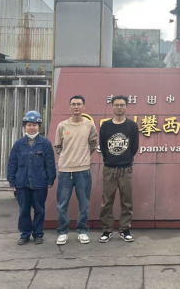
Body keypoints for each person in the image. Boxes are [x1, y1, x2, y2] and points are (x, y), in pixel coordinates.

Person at [54, 95, 98, 245]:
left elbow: (93, 144)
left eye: (79, 104)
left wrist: (82, 157)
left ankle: (82, 230)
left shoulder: (89, 125)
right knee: (62, 204)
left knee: (84, 204)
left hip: (83, 170)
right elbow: (58, 146)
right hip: (65, 171)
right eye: (73, 104)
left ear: (84, 107)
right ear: (70, 107)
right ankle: (62, 231)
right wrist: (67, 158)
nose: (76, 106)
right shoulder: (62, 126)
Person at [7, 111, 56, 245]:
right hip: (22, 183)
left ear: (39, 126)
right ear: (25, 126)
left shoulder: (45, 143)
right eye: (29, 125)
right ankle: (25, 234)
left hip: (40, 183)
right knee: (24, 210)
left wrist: (50, 179)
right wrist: (12, 180)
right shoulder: (18, 144)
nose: (32, 128)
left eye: (35, 125)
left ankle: (38, 234)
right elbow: (12, 163)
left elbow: (50, 163)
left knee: (39, 209)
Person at [98, 95, 139, 243]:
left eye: (122, 105)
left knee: (127, 201)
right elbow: (103, 146)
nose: (119, 107)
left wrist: (125, 159)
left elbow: (134, 147)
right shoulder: (106, 126)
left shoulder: (132, 126)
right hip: (109, 168)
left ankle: (125, 229)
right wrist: (110, 159)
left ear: (126, 107)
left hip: (126, 169)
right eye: (116, 105)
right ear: (112, 107)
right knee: (107, 201)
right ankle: (107, 230)